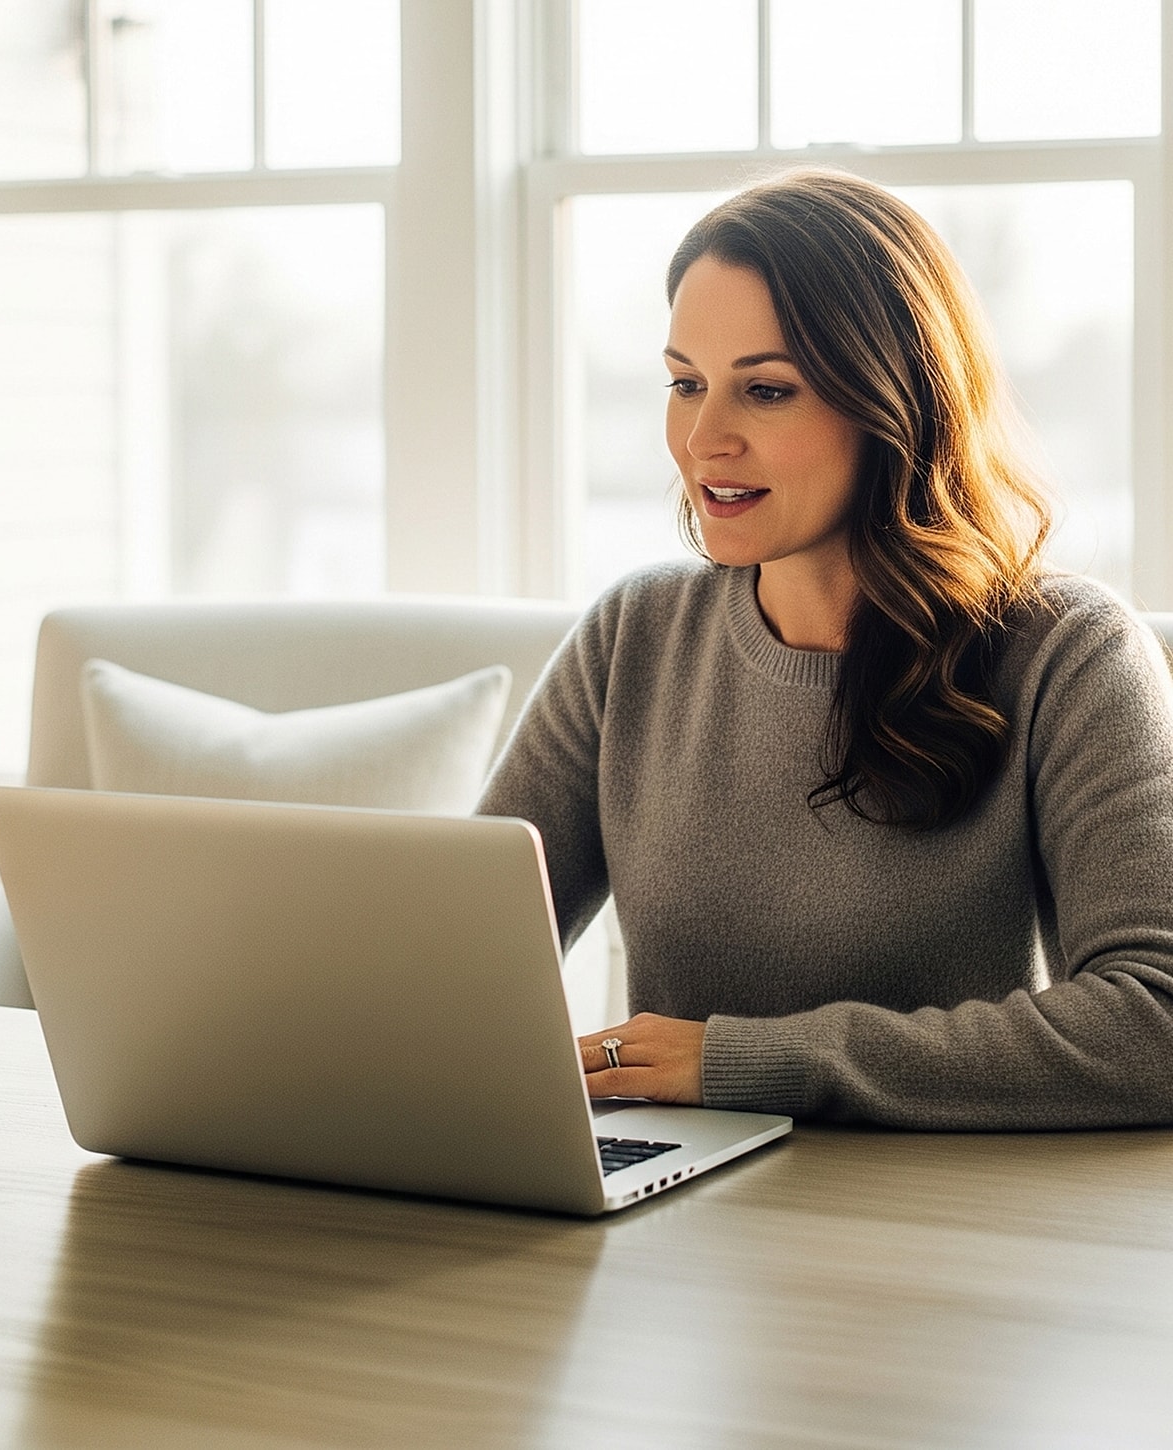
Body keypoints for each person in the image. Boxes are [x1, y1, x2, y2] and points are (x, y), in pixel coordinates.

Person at [477, 166, 1173, 1129]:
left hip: (945, 1233)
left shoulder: (1070, 654)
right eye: (685, 384)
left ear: (891, 405)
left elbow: (1156, 1026)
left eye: (765, 391)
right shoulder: (631, 637)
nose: (702, 438)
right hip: (677, 1233)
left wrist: (747, 1060)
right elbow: (455, 972)